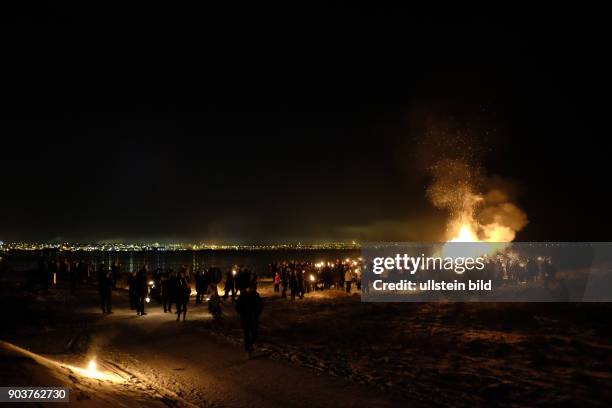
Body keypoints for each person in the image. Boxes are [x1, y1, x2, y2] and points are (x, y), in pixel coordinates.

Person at [235, 286, 263, 359]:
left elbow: (261, 305)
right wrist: (242, 313)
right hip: (245, 319)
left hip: (253, 318)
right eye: (249, 287)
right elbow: (237, 307)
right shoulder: (242, 296)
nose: (250, 288)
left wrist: (257, 313)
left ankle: (250, 345)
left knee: (255, 334)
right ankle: (247, 351)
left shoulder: (255, 295)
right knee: (246, 335)